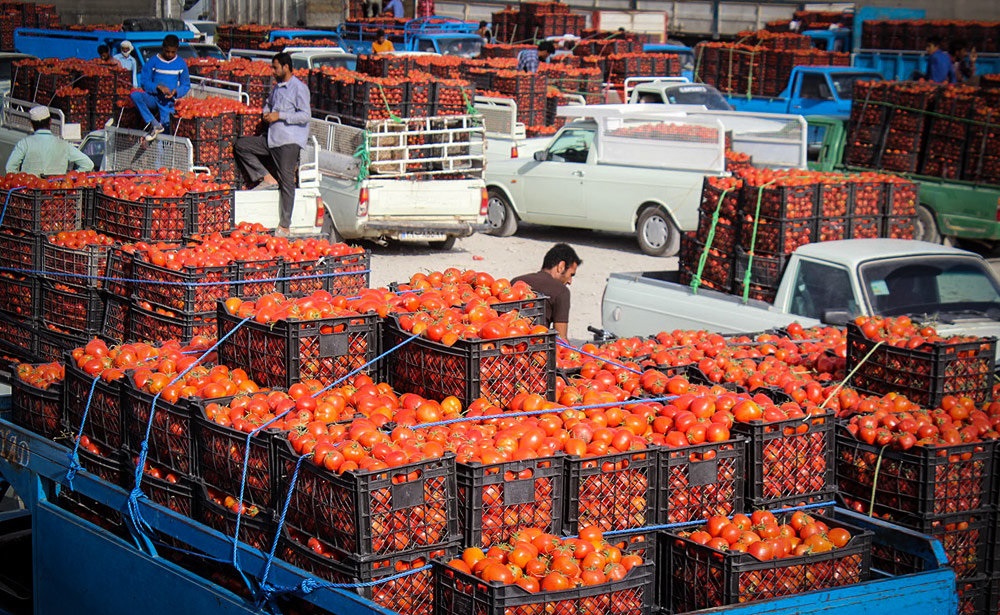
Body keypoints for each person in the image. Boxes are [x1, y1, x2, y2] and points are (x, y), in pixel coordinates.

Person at [233, 52, 310, 238]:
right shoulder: (276, 88)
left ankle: (285, 225)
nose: (273, 71)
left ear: (286, 67)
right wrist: (267, 113)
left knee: (287, 182)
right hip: (271, 140)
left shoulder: (299, 88)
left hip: (289, 142)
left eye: (275, 67)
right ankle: (266, 177)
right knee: (241, 145)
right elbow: (268, 104)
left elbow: (305, 115)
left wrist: (280, 116)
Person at [512, 243, 582, 339]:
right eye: (571, 274)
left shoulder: (516, 281)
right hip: (537, 347)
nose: (570, 281)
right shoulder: (561, 291)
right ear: (561, 266)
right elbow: (561, 339)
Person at [130, 34, 191, 141]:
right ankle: (154, 123)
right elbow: (144, 82)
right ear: (163, 48)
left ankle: (162, 156)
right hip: (153, 98)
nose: (170, 54)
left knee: (165, 134)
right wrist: (157, 87)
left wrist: (176, 92)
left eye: (173, 52)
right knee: (135, 96)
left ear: (177, 49)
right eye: (167, 51)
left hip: (168, 102)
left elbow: (186, 85)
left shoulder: (181, 64)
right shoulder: (153, 61)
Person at [6, 106, 94, 176]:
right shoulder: (64, 145)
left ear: (32, 124)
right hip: (56, 192)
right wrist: (70, 175)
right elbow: (88, 164)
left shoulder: (24, 143)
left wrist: (21, 179)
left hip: (29, 190)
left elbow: (10, 168)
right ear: (50, 122)